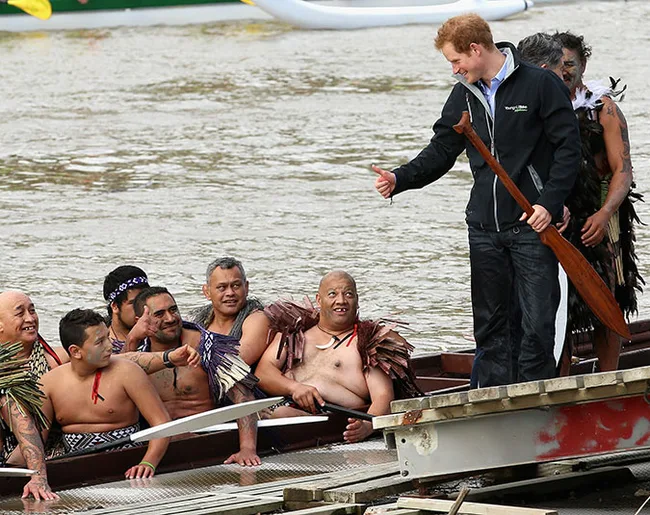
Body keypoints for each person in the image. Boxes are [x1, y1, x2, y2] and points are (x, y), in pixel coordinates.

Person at [372, 14, 581, 387]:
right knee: (490, 326)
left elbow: (569, 150)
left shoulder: (539, 84)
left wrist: (549, 204)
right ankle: (489, 399)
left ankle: (535, 403)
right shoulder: (463, 94)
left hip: (532, 226)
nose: (454, 69)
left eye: (456, 61)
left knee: (536, 325)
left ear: (476, 49)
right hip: (483, 228)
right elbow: (441, 150)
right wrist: (399, 178)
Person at [552, 31, 643, 372]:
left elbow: (623, 169)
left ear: (583, 65)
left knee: (609, 294)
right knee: (557, 301)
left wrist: (605, 215)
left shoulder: (603, 109)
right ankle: (558, 378)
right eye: (556, 65)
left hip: (601, 213)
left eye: (570, 64)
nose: (563, 71)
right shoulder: (541, 105)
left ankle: (608, 376)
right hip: (557, 214)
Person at [255, 271, 420, 443]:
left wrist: (368, 426)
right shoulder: (295, 334)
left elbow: (383, 395)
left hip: (333, 418)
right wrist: (294, 388)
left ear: (357, 300)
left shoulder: (367, 342)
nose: (341, 300)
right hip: (278, 404)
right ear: (319, 300)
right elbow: (263, 372)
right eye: (332, 294)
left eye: (348, 294)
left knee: (282, 414)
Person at [132, 287, 262, 466]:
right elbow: (118, 381)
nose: (170, 318)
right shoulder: (135, 354)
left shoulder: (212, 347)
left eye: (173, 310)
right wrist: (132, 338)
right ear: (140, 321)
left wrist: (247, 448)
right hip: (158, 444)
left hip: (205, 439)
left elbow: (243, 396)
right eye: (159, 314)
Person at [39, 309, 171, 479]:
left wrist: (148, 462)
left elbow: (161, 422)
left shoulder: (128, 372)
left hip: (128, 463)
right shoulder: (49, 383)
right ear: (76, 351)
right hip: (74, 465)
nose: (109, 346)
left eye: (108, 337)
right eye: (100, 342)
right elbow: (35, 440)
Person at [0, 290, 65, 499]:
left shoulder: (58, 358)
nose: (30, 318)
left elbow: (113, 362)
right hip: (9, 453)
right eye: (20, 313)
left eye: (32, 310)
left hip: (53, 448)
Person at [191, 257, 270, 367]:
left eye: (236, 285)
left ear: (246, 288)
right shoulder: (200, 321)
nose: (230, 293)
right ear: (207, 292)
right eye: (221, 287)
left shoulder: (257, 318)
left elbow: (238, 360)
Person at [103, 265, 150, 353]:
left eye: (145, 301)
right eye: (134, 303)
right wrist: (133, 338)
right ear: (115, 306)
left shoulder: (161, 327)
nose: (144, 308)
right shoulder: (100, 344)